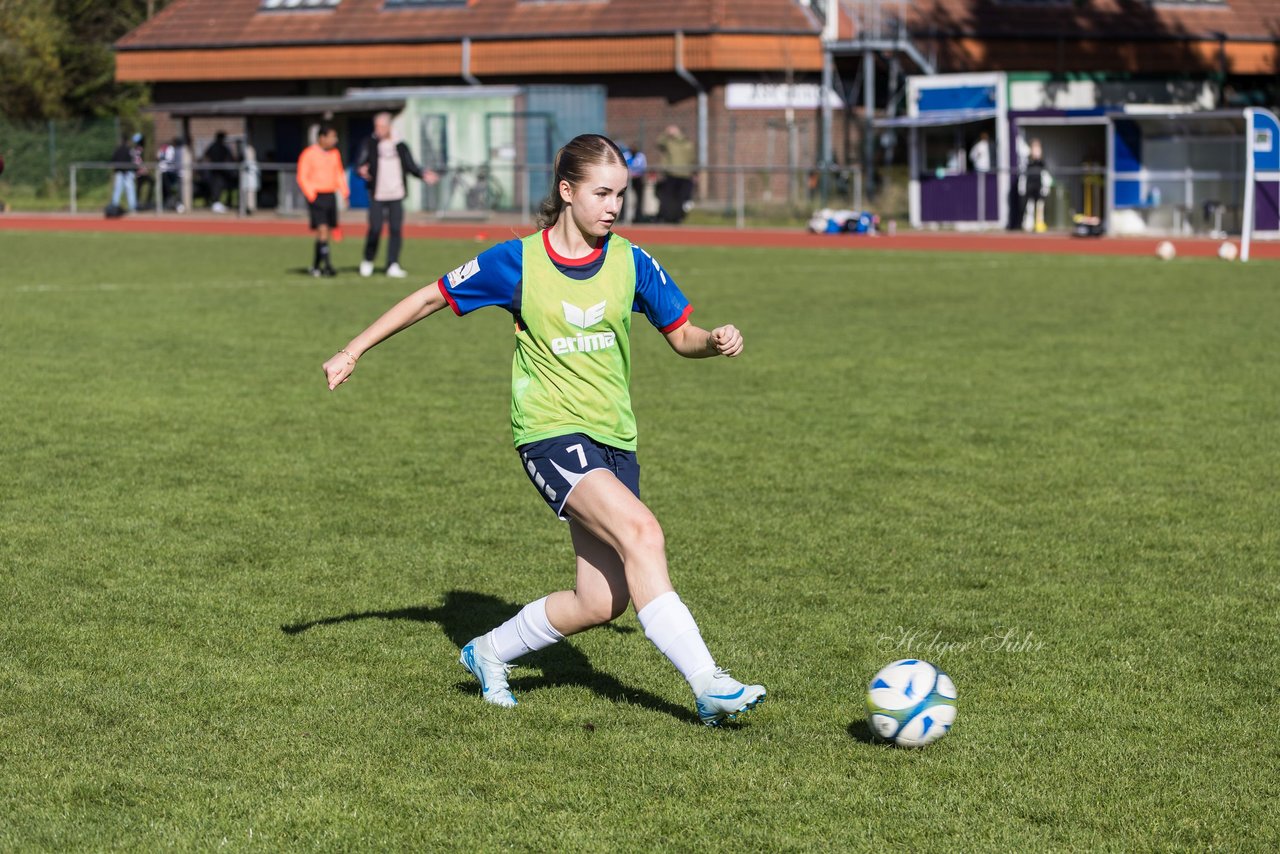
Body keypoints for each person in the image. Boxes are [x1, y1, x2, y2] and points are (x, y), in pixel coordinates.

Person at [321, 134, 766, 727]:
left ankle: (487, 652)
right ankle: (708, 683)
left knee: (601, 601)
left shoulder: (632, 261)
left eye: (621, 195)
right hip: (550, 432)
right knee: (643, 533)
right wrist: (353, 350)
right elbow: (430, 298)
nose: (614, 206)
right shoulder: (516, 262)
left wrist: (712, 341)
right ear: (567, 191)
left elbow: (682, 334)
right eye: (602, 193)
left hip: (615, 436)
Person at [355, 111, 436, 279]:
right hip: (377, 193)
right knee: (375, 228)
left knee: (395, 229)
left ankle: (392, 264)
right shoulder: (369, 143)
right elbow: (360, 163)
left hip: (396, 193)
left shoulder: (400, 145)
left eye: (381, 126)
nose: (378, 129)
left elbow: (410, 165)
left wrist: (423, 174)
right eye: (376, 126)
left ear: (389, 127)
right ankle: (368, 259)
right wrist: (361, 169)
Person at [297, 124, 349, 277]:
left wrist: (344, 193)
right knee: (323, 230)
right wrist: (311, 195)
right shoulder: (309, 154)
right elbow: (302, 176)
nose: (335, 140)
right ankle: (327, 265)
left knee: (323, 233)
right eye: (332, 136)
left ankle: (315, 266)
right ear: (322, 137)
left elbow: (338, 173)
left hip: (330, 195)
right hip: (317, 196)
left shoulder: (334, 153)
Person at [656, 125, 694, 223]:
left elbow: (692, 158)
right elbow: (659, 143)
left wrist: (693, 172)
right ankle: (666, 217)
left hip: (685, 174)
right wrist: (666, 133)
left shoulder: (687, 143)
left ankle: (678, 217)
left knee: (681, 198)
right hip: (671, 173)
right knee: (668, 198)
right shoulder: (669, 142)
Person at [1023, 138, 1051, 233]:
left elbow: (1045, 173)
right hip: (1030, 186)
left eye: (1037, 147)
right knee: (1030, 207)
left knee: (1040, 206)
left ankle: (1039, 224)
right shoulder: (1027, 160)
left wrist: (1045, 186)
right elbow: (1023, 172)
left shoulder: (1042, 161)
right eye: (1034, 147)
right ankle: (1028, 225)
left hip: (1039, 186)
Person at [203, 131, 234, 212]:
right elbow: (206, 156)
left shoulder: (222, 147)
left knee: (223, 187)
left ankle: (220, 203)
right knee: (216, 187)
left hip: (221, 171)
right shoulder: (215, 146)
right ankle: (216, 204)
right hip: (216, 171)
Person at [109, 134, 138, 213]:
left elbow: (113, 160)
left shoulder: (118, 149)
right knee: (128, 189)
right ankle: (131, 207)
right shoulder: (129, 150)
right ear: (127, 142)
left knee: (119, 189)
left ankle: (115, 206)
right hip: (127, 172)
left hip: (123, 172)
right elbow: (134, 161)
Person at [158, 137, 185, 212]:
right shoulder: (171, 149)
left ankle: (178, 204)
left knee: (176, 190)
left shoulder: (178, 150)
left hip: (175, 173)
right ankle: (172, 204)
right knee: (171, 190)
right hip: (171, 173)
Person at [623, 142, 647, 224]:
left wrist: (636, 173)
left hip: (638, 179)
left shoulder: (641, 156)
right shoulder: (626, 155)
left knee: (639, 198)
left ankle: (638, 217)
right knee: (625, 198)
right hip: (627, 179)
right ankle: (623, 217)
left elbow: (643, 167)